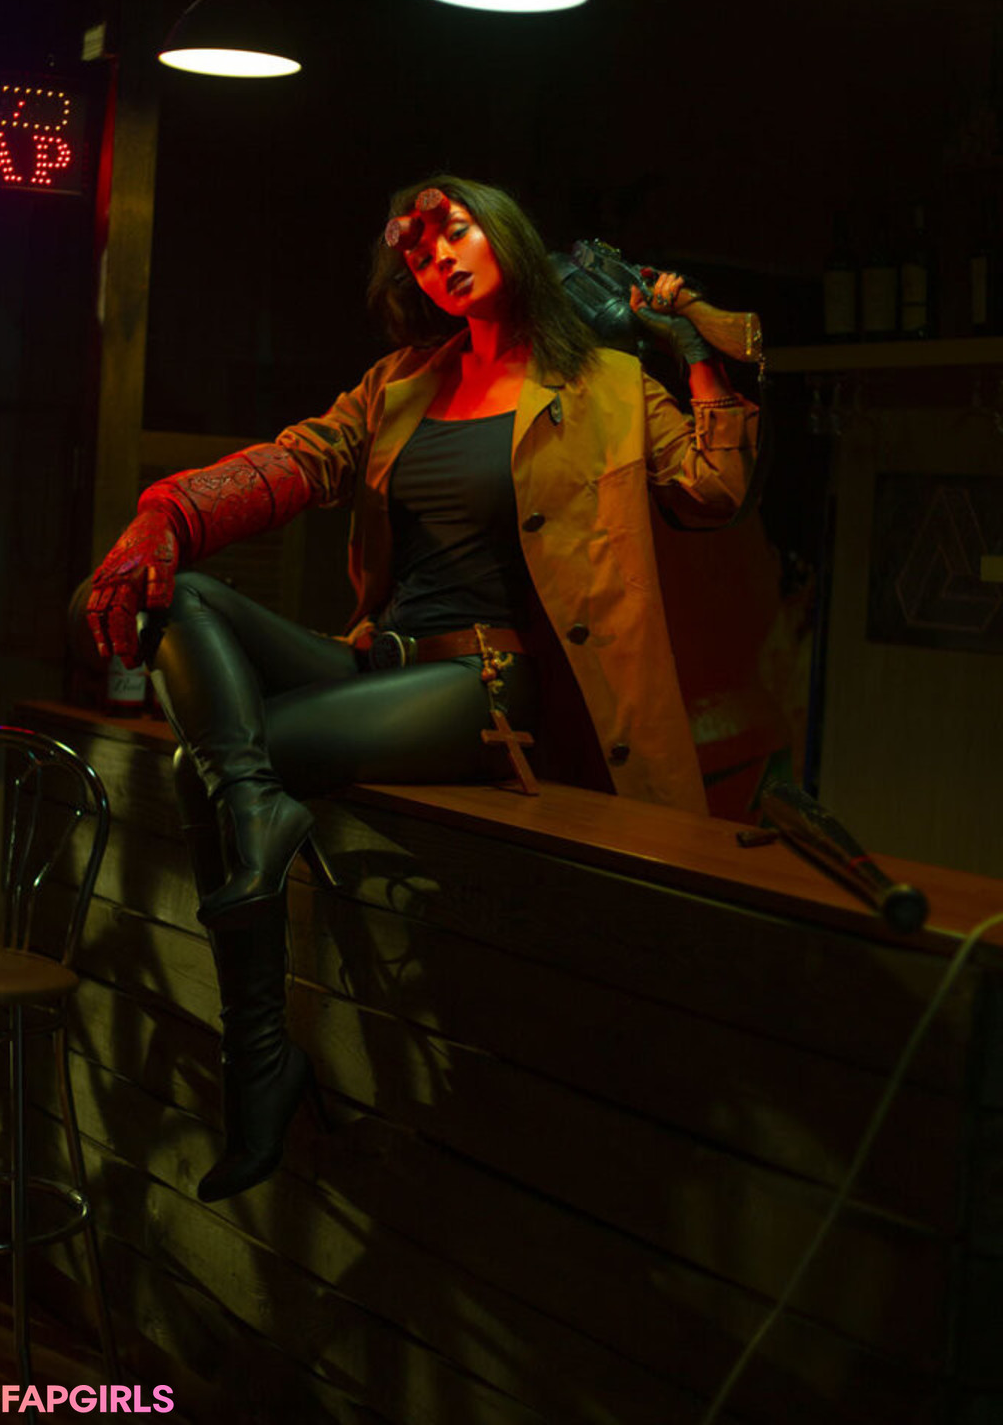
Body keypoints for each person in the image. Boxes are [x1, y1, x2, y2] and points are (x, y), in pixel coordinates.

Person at [85, 174, 759, 1202]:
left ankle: (257, 1062)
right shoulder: (399, 383)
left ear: (507, 233)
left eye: (453, 229)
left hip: (484, 679)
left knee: (212, 767)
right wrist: (165, 514)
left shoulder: (611, 388)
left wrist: (695, 350)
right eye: (414, 248)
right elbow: (297, 461)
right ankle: (263, 1013)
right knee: (183, 599)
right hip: (385, 656)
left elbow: (714, 489)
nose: (435, 254)